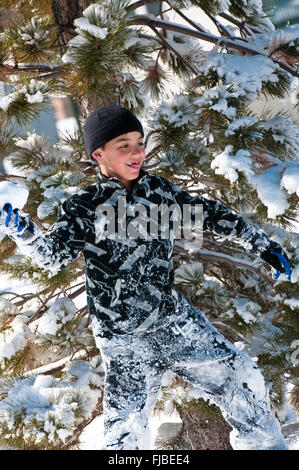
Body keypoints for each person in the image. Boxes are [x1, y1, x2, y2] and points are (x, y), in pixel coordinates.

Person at [0, 106, 292, 450]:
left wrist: (260, 244)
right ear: (99, 153)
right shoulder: (85, 206)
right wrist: (23, 231)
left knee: (239, 377)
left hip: (173, 322)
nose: (137, 152)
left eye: (139, 142)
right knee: (124, 430)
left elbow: (209, 214)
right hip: (123, 339)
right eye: (124, 145)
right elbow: (54, 255)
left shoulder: (158, 192)